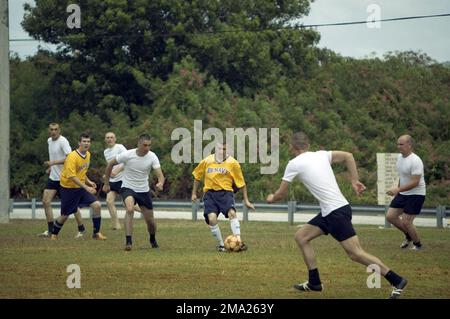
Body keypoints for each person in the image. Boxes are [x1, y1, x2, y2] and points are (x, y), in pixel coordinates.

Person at [266, 132, 408, 299]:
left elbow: (280, 195)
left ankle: (396, 280)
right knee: (301, 237)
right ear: (308, 146)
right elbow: (348, 156)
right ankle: (315, 283)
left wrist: (271, 198)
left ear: (292, 147)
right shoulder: (321, 155)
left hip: (336, 212)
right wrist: (354, 180)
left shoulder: (294, 163)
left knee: (356, 253)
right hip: (331, 211)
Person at [104, 134, 165, 251]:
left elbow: (160, 175)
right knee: (130, 209)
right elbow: (110, 164)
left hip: (143, 190)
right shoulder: (127, 155)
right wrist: (106, 183)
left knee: (150, 221)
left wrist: (160, 183)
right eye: (144, 145)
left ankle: (152, 239)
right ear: (139, 144)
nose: (147, 148)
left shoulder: (152, 156)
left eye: (149, 145)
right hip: (128, 187)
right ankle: (128, 241)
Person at [191, 142, 255, 252]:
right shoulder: (207, 161)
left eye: (224, 149)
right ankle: (221, 246)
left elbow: (241, 183)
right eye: (220, 148)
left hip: (226, 193)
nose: (222, 151)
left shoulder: (233, 163)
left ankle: (239, 242)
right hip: (210, 194)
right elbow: (197, 177)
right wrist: (193, 193)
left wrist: (246, 200)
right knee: (212, 219)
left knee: (232, 213)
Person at [50, 133, 106, 240]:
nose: (86, 143)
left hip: (80, 187)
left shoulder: (88, 155)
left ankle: (96, 233)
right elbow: (71, 176)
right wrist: (87, 187)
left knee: (97, 205)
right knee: (65, 215)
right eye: (84, 141)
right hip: (69, 189)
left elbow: (81, 172)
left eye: (88, 141)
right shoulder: (72, 157)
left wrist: (89, 181)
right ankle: (54, 234)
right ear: (79, 143)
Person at [38, 122, 86, 239]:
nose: (53, 131)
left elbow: (70, 158)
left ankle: (81, 229)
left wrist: (53, 163)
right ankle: (50, 230)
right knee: (45, 201)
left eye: (56, 129)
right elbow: (53, 157)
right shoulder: (49, 141)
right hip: (53, 177)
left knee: (72, 206)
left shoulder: (63, 141)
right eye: (51, 129)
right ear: (49, 131)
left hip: (65, 178)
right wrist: (51, 167)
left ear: (59, 130)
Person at [386, 135, 426, 251]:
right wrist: (398, 189)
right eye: (398, 144)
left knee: (407, 221)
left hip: (416, 194)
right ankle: (409, 236)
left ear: (409, 145)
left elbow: (415, 182)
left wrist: (397, 189)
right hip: (403, 193)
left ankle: (418, 245)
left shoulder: (415, 160)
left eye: (401, 144)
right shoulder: (399, 158)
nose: (399, 147)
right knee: (390, 216)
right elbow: (402, 176)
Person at [102, 132, 127, 230]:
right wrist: (107, 175)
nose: (109, 139)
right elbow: (109, 166)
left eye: (111, 137)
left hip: (123, 179)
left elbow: (128, 160)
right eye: (107, 137)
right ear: (105, 140)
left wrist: (117, 170)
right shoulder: (105, 152)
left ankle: (147, 212)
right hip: (113, 181)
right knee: (109, 201)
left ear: (115, 139)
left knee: (128, 205)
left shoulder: (120, 147)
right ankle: (116, 225)